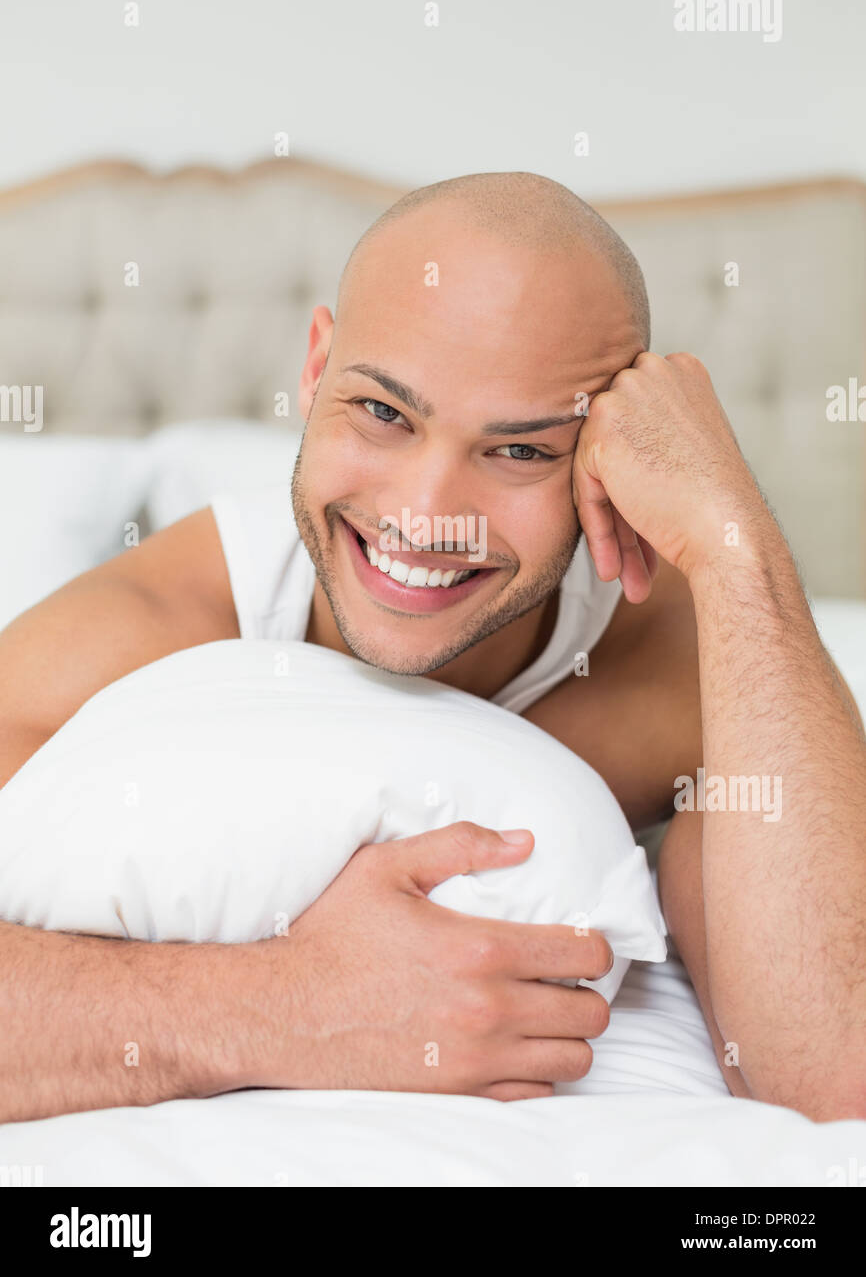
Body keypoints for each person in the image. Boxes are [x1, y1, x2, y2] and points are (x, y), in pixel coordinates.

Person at [1, 172, 863, 1124]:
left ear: (605, 462)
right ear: (317, 365)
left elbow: (835, 1072)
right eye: (382, 413)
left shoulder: (687, 667)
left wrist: (737, 540)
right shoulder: (141, 635)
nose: (424, 518)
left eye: (522, 451)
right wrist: (288, 1004)